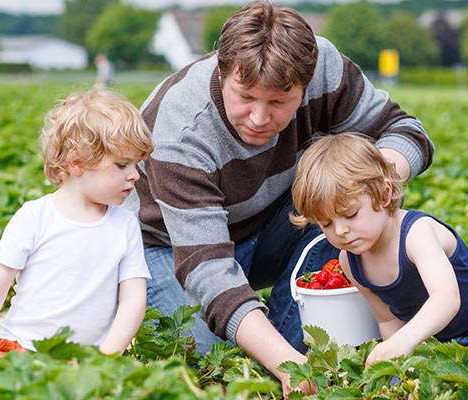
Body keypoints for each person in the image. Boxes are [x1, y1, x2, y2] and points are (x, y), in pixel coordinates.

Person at [124, 1, 433, 396]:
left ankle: (292, 342)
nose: (258, 117)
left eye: (277, 103)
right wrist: (284, 363)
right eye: (245, 97)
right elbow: (206, 269)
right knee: (217, 361)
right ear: (222, 70)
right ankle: (286, 352)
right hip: (169, 248)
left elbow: (405, 130)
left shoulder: (325, 69)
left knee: (348, 216)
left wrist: (375, 178)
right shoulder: (181, 129)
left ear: (305, 83)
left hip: (270, 223)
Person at [0, 89, 154, 359]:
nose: (135, 175)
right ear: (77, 163)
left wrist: (105, 360)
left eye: (136, 165)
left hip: (87, 359)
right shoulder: (35, 217)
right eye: (122, 165)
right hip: (21, 351)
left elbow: (132, 301)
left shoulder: (125, 225)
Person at [290, 133, 468, 364]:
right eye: (326, 224)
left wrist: (404, 340)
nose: (341, 231)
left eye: (351, 214)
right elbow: (387, 321)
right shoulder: (350, 262)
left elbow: (446, 297)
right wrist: (397, 363)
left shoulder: (417, 234)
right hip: (427, 345)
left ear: (384, 193)